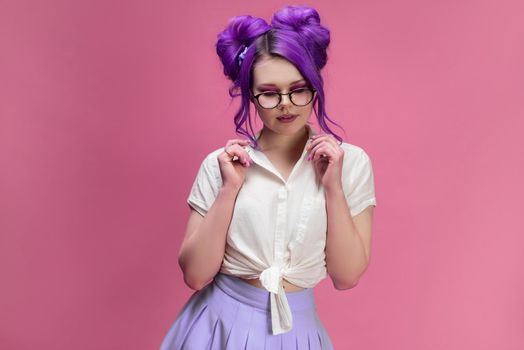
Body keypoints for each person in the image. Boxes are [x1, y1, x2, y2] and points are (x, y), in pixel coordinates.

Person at [160, 5, 377, 349]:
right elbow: (195, 275)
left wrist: (333, 187)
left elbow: (347, 276)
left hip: (298, 333)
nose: (286, 105)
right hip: (217, 329)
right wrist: (229, 190)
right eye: (270, 93)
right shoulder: (222, 165)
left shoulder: (350, 164)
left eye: (299, 89)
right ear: (251, 95)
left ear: (315, 86)